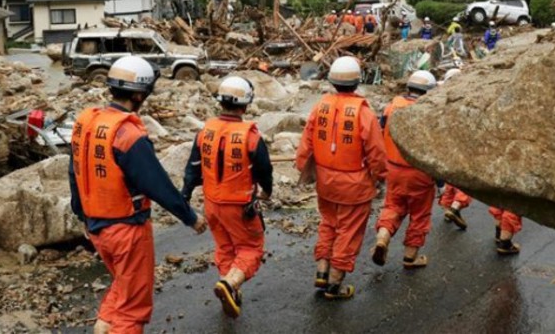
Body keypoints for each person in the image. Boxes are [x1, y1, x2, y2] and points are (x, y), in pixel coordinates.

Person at [69, 56, 207, 334]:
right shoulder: (128, 134)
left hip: (96, 226)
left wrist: (81, 214)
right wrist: (190, 217)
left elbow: (74, 172)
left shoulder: (86, 121)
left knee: (121, 288)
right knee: (133, 309)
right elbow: (157, 185)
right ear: (139, 93)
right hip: (126, 230)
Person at [181, 76, 273, 318]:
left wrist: (185, 196)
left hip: (212, 204)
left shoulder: (205, 132)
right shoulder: (251, 136)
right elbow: (265, 170)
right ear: (245, 105)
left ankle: (229, 287)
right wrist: (267, 191)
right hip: (240, 207)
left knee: (224, 247)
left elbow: (192, 168)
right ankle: (230, 284)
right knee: (251, 248)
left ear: (220, 102)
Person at [295, 56, 386, 300]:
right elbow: (376, 153)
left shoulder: (320, 106)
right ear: (357, 81)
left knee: (328, 224)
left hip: (326, 182)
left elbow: (306, 143)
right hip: (354, 186)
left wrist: (304, 169)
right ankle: (335, 283)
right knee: (349, 231)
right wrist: (381, 177)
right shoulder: (364, 113)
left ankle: (322, 270)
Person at [372, 70, 438, 269]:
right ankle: (410, 257)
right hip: (420, 173)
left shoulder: (391, 108)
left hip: (393, 169)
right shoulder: (430, 112)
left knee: (392, 206)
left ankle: (383, 236)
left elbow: (380, 133)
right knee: (420, 214)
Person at [436, 67, 472, 231]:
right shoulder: (465, 98)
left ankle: (447, 208)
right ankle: (455, 207)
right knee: (466, 182)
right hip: (461, 145)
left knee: (449, 180)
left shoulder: (440, 97)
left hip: (443, 146)